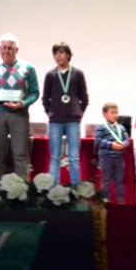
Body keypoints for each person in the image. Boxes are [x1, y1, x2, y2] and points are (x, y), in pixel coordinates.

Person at [0, 33, 39, 179]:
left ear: (16, 50)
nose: (6, 51)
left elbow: (35, 92)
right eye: (3, 48)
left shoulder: (28, 67)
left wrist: (23, 103)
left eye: (9, 48)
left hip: (19, 114)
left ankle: (22, 189)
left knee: (20, 156)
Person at [42, 42, 89, 184]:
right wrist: (51, 113)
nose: (58, 56)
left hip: (73, 121)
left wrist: (79, 114)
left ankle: (76, 190)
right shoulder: (50, 75)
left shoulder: (77, 74)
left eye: (61, 52)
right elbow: (45, 98)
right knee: (55, 157)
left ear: (68, 55)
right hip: (55, 121)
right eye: (55, 53)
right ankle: (53, 190)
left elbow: (84, 98)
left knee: (74, 157)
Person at [95, 102, 130, 204]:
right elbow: (98, 141)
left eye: (116, 113)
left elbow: (127, 140)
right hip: (106, 158)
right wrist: (111, 145)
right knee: (106, 180)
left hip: (118, 157)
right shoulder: (101, 127)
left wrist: (123, 144)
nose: (115, 115)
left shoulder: (121, 128)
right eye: (112, 113)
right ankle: (105, 199)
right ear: (105, 114)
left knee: (119, 180)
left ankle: (120, 200)